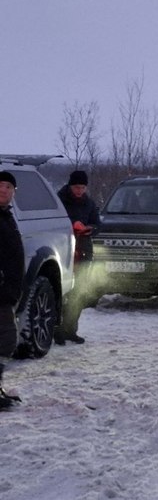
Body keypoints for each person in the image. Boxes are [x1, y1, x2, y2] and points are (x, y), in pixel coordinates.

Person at [55, 170, 100, 345]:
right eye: (76, 187)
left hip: (84, 250)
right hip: (64, 250)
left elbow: (97, 224)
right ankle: (57, 329)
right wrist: (71, 227)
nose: (79, 191)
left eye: (82, 187)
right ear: (70, 186)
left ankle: (71, 329)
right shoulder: (59, 201)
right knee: (62, 292)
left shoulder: (89, 203)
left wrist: (90, 229)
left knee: (79, 291)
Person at [0, 171, 24, 409]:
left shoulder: (7, 216)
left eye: (9, 187)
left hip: (7, 291)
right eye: (0, 186)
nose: (4, 190)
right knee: (6, 339)